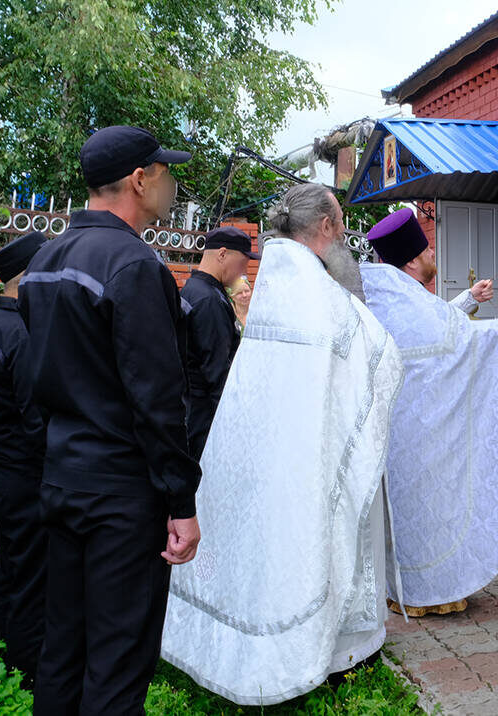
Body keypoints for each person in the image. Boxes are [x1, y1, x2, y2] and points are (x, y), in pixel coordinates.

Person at [161, 183, 404, 705]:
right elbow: (380, 354)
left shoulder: (276, 281)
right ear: (324, 228)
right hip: (305, 454)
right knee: (309, 541)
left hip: (269, 447)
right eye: (340, 224)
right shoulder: (319, 294)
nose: (343, 236)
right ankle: (323, 651)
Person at [18, 125, 202, 715]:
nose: (172, 183)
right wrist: (181, 502)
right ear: (139, 178)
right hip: (121, 496)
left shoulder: (45, 260)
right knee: (118, 663)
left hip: (62, 482)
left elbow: (35, 381)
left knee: (63, 651)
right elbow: (157, 397)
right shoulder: (134, 265)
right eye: (165, 171)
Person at [360, 207, 498, 616]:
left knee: (405, 512)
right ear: (411, 261)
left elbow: (434, 327)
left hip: (399, 432)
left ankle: (400, 587)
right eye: (425, 250)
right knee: (433, 511)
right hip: (428, 434)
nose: (431, 256)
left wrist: (468, 299)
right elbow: (474, 340)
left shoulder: (387, 297)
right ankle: (434, 592)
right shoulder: (409, 303)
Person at [0, 230, 48, 685]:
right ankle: (27, 672)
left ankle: (1, 653)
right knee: (33, 581)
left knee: (12, 570)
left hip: (3, 469)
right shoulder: (20, 332)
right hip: (25, 476)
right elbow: (37, 419)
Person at [181, 226, 258, 461]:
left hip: (191, 411)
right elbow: (216, 373)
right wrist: (235, 429)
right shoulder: (208, 300)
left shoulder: (194, 289)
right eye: (243, 264)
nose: (243, 272)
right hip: (205, 420)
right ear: (222, 254)